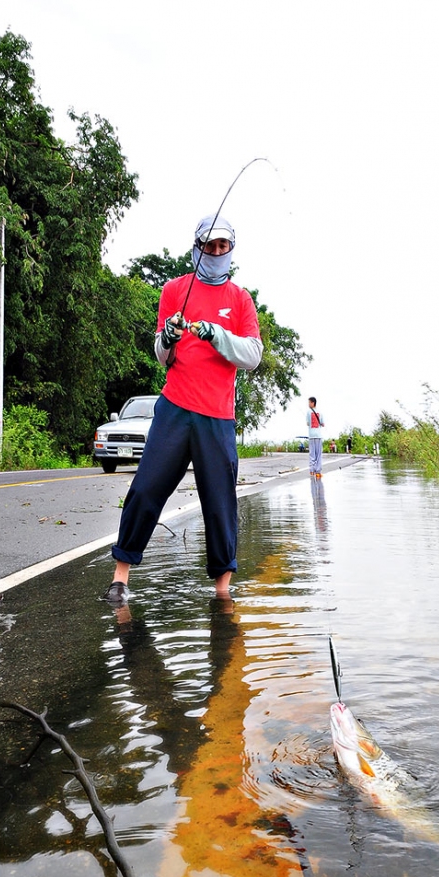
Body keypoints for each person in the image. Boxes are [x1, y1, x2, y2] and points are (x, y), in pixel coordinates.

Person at [103, 214, 263, 603]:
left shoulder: (240, 299)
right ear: (197, 248)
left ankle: (223, 590)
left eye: (223, 246)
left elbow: (253, 355)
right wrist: (169, 337)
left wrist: (218, 335)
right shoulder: (175, 290)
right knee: (145, 489)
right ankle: (120, 578)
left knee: (220, 503)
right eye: (210, 245)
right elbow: (161, 354)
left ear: (231, 250)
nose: (216, 251)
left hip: (218, 417)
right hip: (175, 409)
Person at [306, 396, 324, 477]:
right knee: (318, 454)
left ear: (313, 403)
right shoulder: (320, 412)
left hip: (311, 435)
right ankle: (318, 472)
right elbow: (323, 423)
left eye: (309, 402)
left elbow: (307, 423)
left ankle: (312, 471)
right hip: (318, 435)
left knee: (312, 454)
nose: (308, 404)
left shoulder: (308, 412)